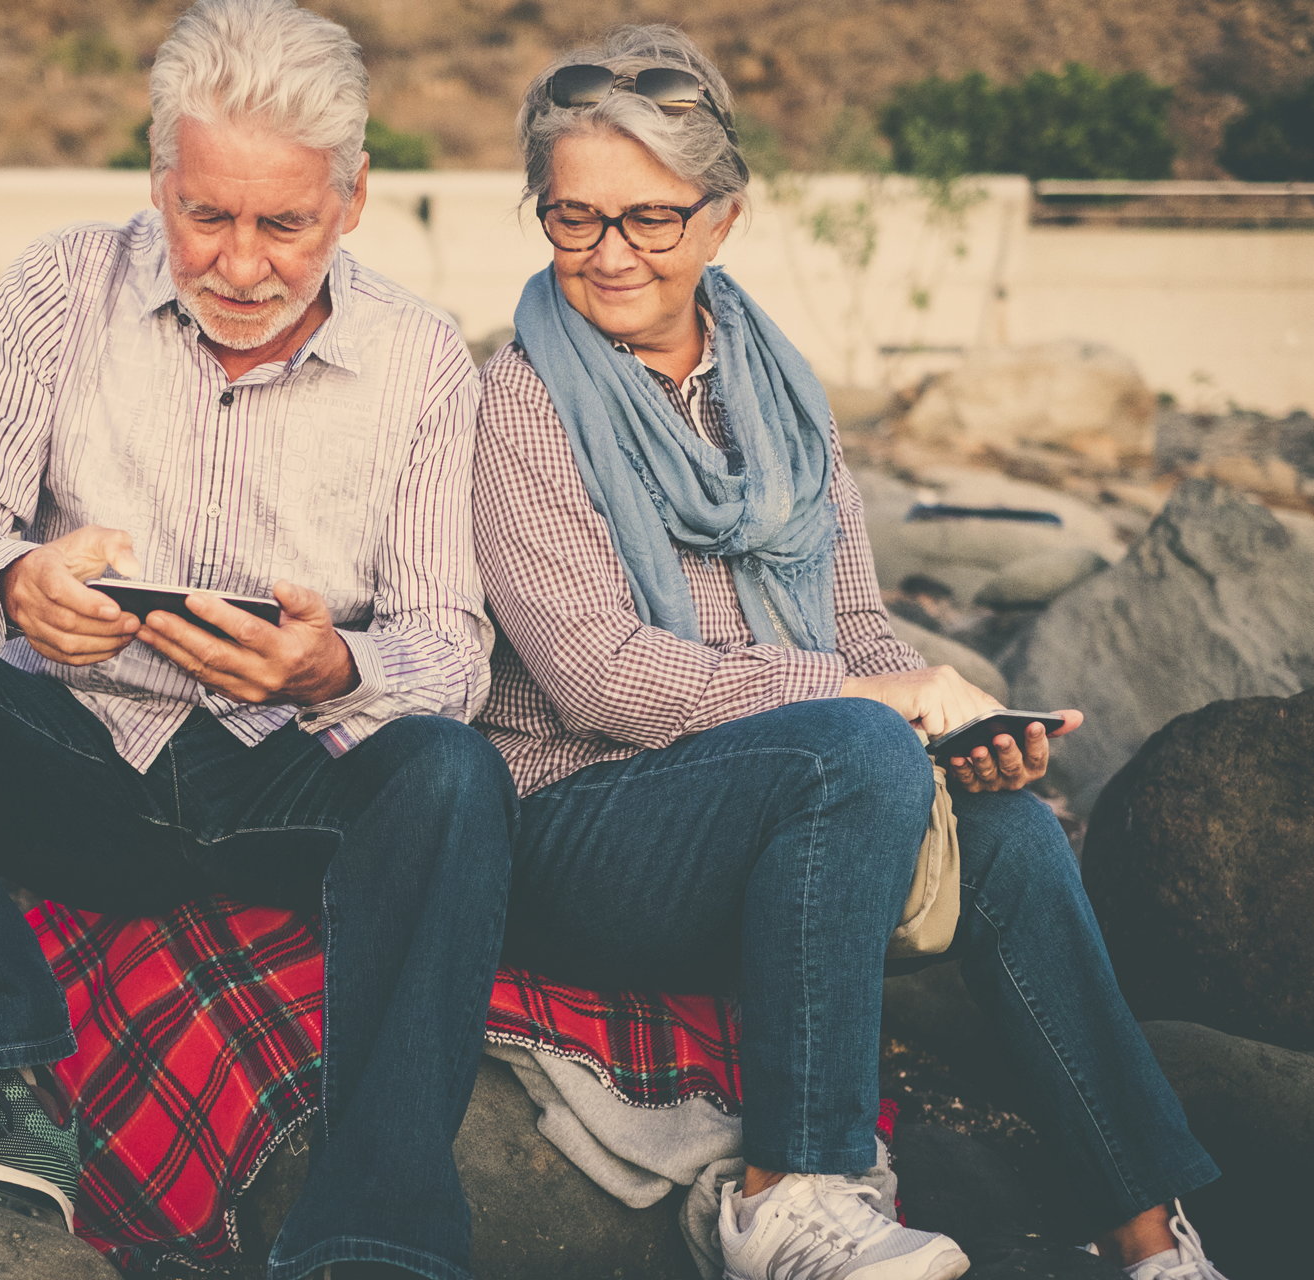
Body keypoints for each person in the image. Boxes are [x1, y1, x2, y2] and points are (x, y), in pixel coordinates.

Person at [471, 25, 1230, 1280]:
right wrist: (876, 702)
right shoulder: (518, 398)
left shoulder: (781, 388)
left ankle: (1149, 1234)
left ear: (722, 217)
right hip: (584, 827)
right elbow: (599, 674)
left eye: (651, 219)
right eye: (574, 217)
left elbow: (856, 623)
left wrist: (953, 726)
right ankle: (790, 1188)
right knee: (857, 741)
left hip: (793, 810)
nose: (611, 255)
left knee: (1019, 838)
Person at [0, 3, 512, 1278]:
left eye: (284, 223)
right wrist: (10, 576)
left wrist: (336, 667)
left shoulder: (426, 361)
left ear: (353, 197)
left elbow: (453, 641)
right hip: (71, 757)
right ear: (160, 179)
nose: (240, 262)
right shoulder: (65, 283)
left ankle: (374, 1227)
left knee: (454, 772)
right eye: (205, 214)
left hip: (286, 780)